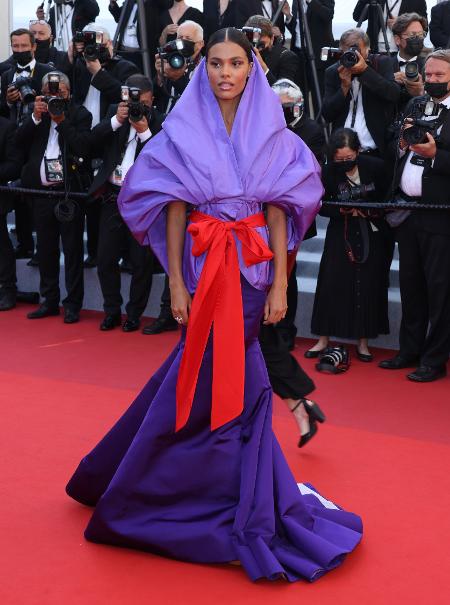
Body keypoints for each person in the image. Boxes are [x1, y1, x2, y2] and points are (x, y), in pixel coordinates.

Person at [66, 28, 362, 581]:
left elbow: (280, 212)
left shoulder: (273, 130)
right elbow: (173, 209)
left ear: (253, 69)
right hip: (203, 271)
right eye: (216, 64)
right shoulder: (182, 127)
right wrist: (175, 282)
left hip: (251, 273)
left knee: (235, 376)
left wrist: (278, 283)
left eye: (236, 64)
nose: (225, 73)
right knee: (200, 370)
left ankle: (229, 503)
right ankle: (192, 494)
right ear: (203, 70)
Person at [258, 78, 326, 448]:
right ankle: (299, 403)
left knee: (252, 336)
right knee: (255, 337)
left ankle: (298, 402)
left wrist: (279, 278)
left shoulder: (292, 145)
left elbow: (285, 208)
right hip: (237, 247)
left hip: (267, 247)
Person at [379, 50, 450, 382]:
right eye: (430, 74)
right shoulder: (415, 105)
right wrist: (402, 142)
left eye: (440, 75)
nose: (433, 80)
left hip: (440, 216)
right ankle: (409, 350)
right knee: (411, 285)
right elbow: (393, 140)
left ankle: (434, 359)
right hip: (407, 211)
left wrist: (436, 155)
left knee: (440, 290)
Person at [307, 128, 391, 361]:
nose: (344, 163)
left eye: (349, 158)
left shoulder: (375, 166)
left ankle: (363, 342)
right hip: (340, 232)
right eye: (339, 159)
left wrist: (371, 211)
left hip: (371, 233)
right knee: (330, 283)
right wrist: (340, 210)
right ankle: (323, 339)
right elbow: (320, 204)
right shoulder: (327, 172)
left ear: (358, 151)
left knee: (367, 285)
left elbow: (388, 197)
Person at [88, 74, 164, 332]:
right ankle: (111, 310)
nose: (135, 107)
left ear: (151, 100)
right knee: (105, 258)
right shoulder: (115, 113)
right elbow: (91, 142)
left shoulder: (161, 122)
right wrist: (116, 120)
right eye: (131, 100)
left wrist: (144, 133)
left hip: (143, 203)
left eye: (141, 102)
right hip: (113, 197)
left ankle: (134, 314)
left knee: (141, 263)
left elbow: (164, 159)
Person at [16, 71, 92, 324]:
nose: (54, 97)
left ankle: (72, 305)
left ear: (68, 93)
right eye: (50, 93)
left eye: (59, 92)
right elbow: (18, 142)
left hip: (68, 194)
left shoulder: (80, 114)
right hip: (40, 194)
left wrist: (61, 120)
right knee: (45, 250)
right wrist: (37, 116)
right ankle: (49, 301)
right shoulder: (37, 115)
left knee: (71, 252)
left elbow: (82, 146)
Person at [67, 23, 139, 269]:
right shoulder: (80, 65)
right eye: (89, 46)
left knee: (115, 201)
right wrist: (72, 56)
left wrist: (98, 72)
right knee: (90, 198)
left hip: (113, 137)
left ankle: (128, 255)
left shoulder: (125, 67)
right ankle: (95, 251)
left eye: (99, 44)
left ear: (109, 44)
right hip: (87, 137)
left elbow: (125, 95)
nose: (94, 50)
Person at [0, 29, 53, 261]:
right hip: (14, 141)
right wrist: (6, 101)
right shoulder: (6, 74)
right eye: (15, 46)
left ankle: (43, 247)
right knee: (17, 192)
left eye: (24, 46)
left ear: (34, 47)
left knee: (38, 194)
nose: (19, 50)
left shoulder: (47, 72)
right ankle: (24, 243)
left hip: (38, 138)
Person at [322, 28, 400, 158]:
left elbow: (393, 94)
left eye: (357, 51)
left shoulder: (380, 64)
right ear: (340, 50)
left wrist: (365, 71)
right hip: (342, 152)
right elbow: (327, 114)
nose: (352, 56)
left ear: (368, 50)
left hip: (373, 150)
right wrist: (344, 87)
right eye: (347, 52)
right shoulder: (333, 71)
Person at [285, 0, 335, 115]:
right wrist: (288, 16)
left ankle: (321, 130)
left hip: (317, 57)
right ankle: (304, 128)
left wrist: (310, 1)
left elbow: (327, 15)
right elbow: (297, 29)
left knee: (319, 99)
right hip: (299, 55)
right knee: (299, 98)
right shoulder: (296, 2)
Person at [153, 20, 205, 115]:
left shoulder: (206, 68)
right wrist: (160, 77)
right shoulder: (170, 59)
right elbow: (154, 96)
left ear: (200, 44)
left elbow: (199, 100)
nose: (183, 41)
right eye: (180, 37)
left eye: (188, 39)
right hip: (164, 119)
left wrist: (177, 78)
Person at [109, 0, 172, 70]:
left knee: (139, 79)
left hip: (142, 55)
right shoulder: (130, 2)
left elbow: (168, 3)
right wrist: (113, 3)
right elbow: (119, 18)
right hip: (123, 53)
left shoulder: (154, 5)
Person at [353, 0, 427, 54]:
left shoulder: (417, 1)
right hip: (373, 50)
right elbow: (357, 16)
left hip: (402, 52)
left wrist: (401, 24)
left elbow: (424, 29)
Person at [245, 15, 301, 87]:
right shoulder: (244, 55)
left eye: (261, 45)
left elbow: (282, 93)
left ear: (272, 38)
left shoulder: (287, 58)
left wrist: (262, 66)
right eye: (252, 43)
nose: (257, 49)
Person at [390, 12, 429, 116]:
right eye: (413, 35)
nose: (418, 39)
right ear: (397, 40)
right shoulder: (384, 64)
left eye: (421, 35)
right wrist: (389, 80)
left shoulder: (430, 67)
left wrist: (421, 93)